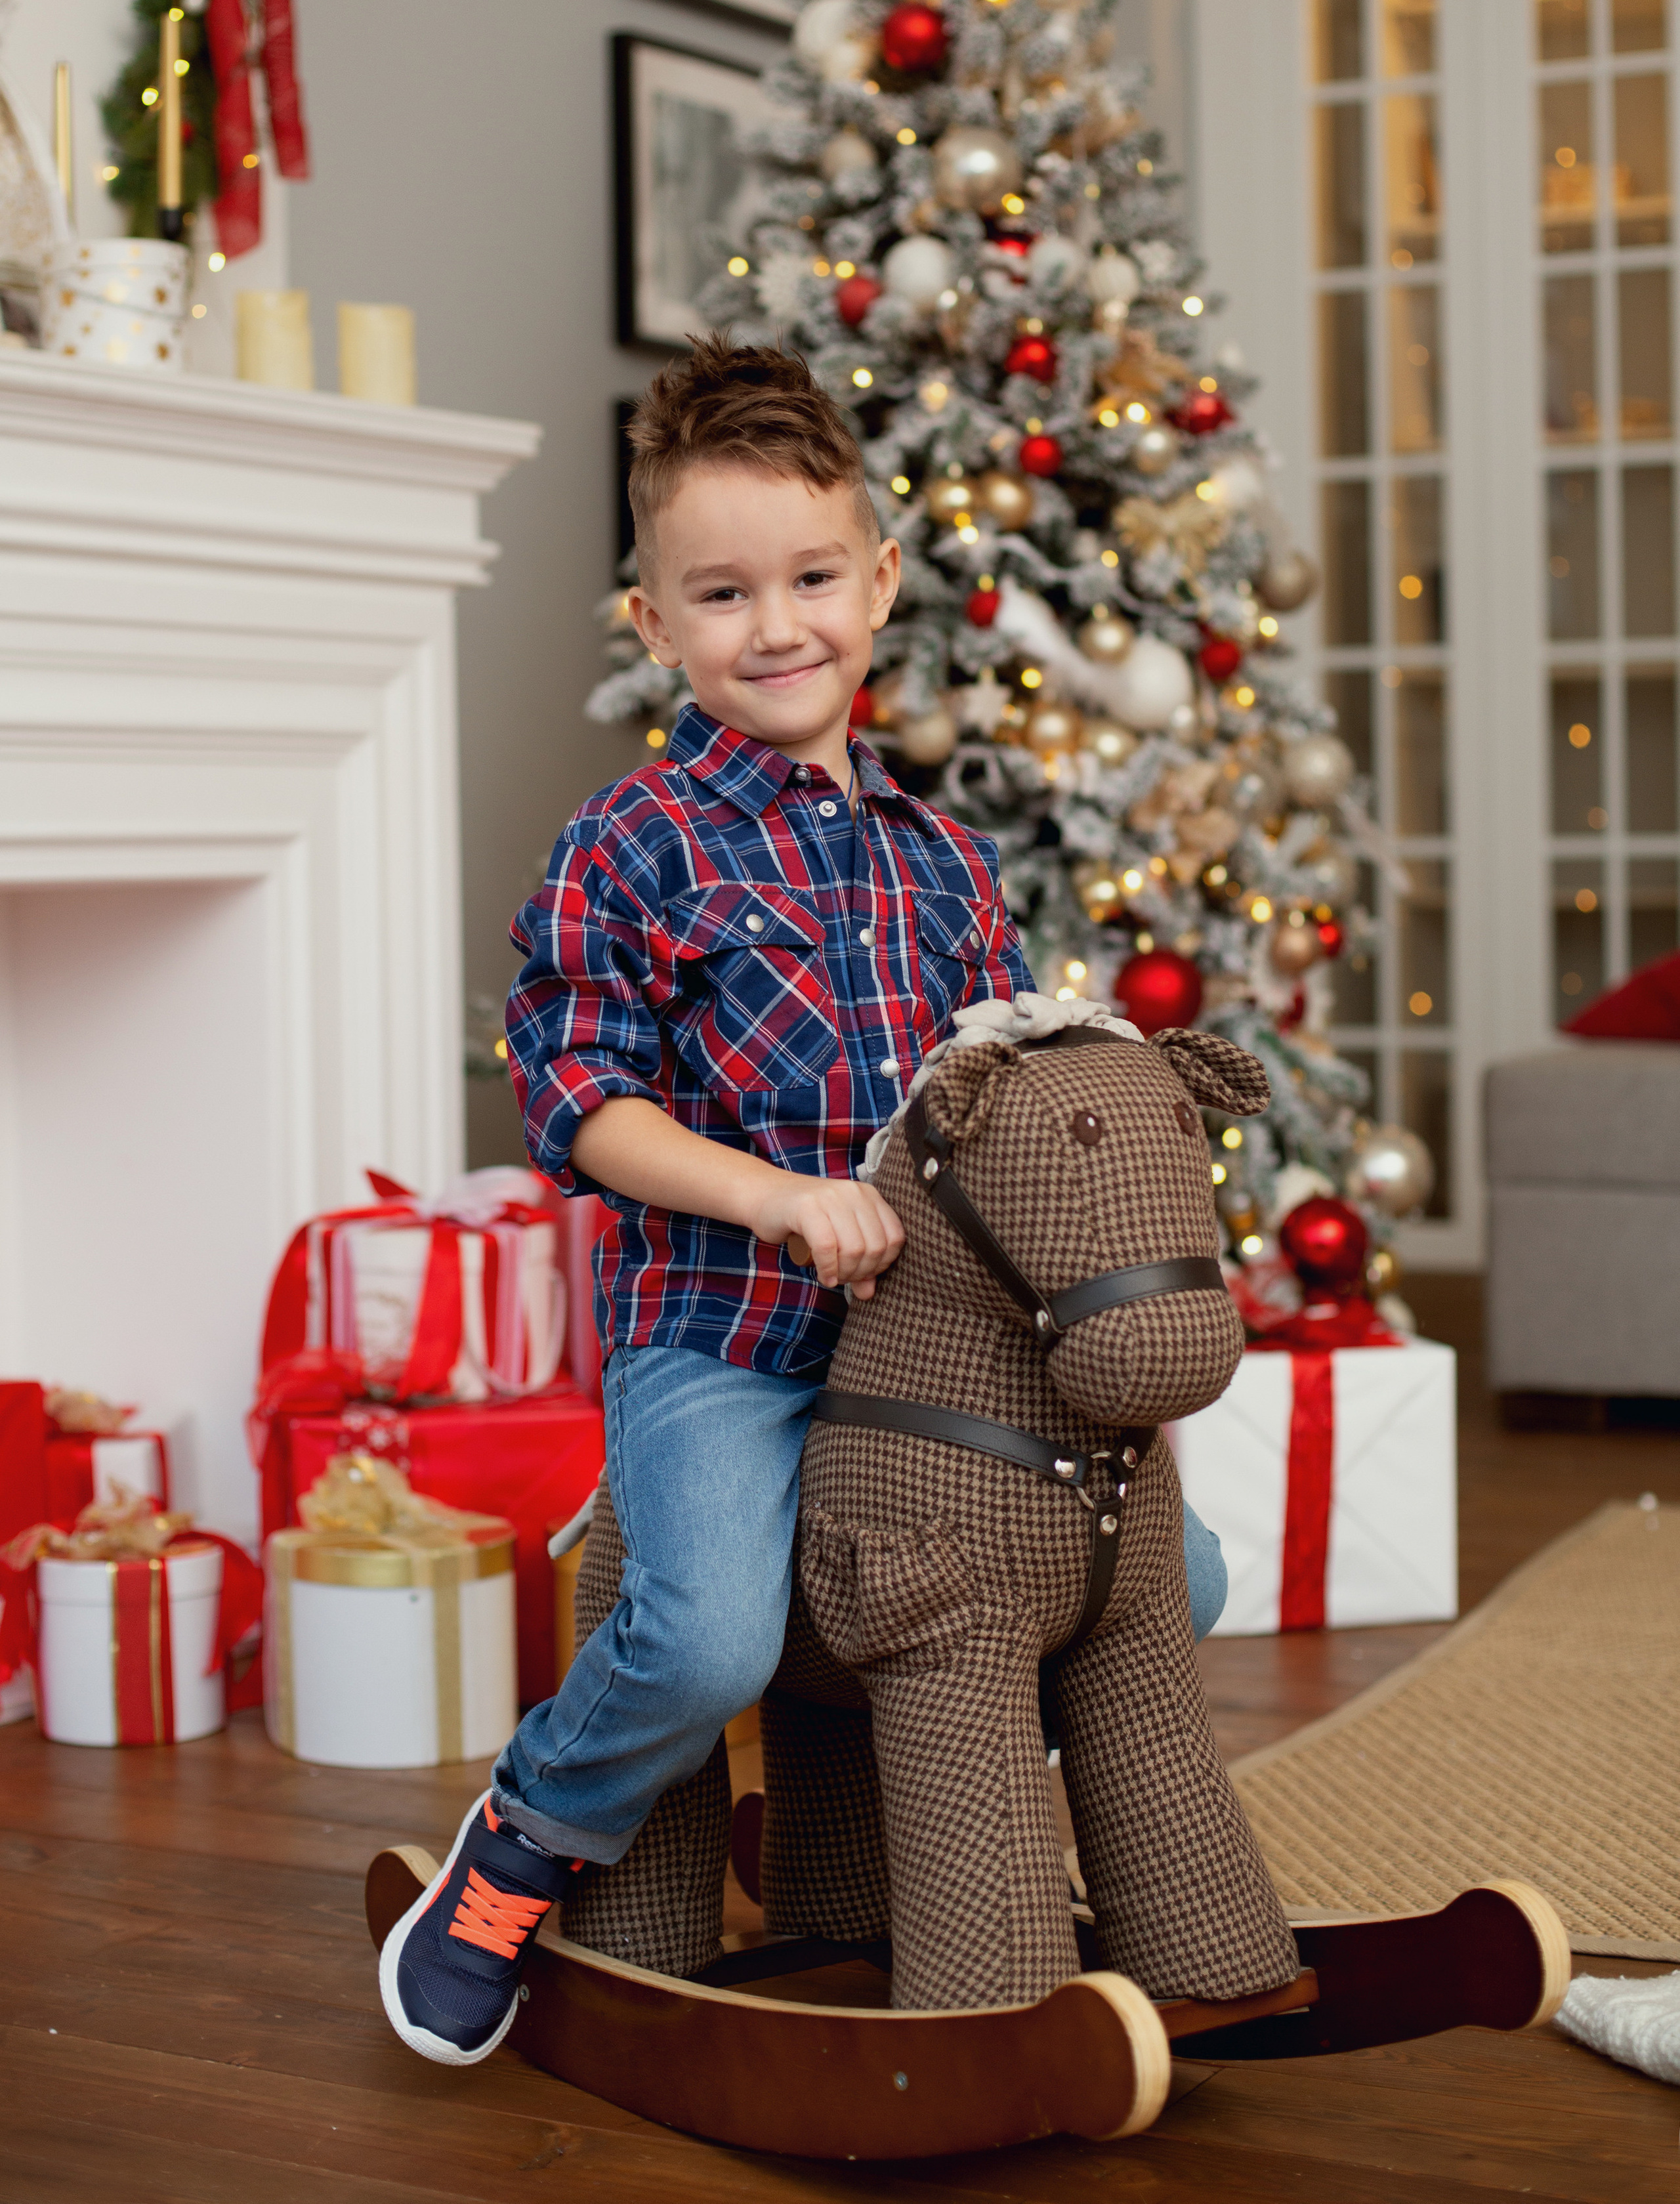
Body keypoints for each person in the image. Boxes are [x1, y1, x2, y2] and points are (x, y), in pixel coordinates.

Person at [381, 335, 1227, 2064]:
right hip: (728, 1342)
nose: (777, 625)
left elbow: (986, 1111)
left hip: (932, 1363)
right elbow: (582, 1106)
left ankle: (937, 1820)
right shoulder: (630, 844)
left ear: (881, 581)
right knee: (701, 1635)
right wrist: (775, 1196)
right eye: (722, 591)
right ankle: (525, 1835)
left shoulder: (946, 863)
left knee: (1178, 1581)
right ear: (655, 623)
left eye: (814, 577)